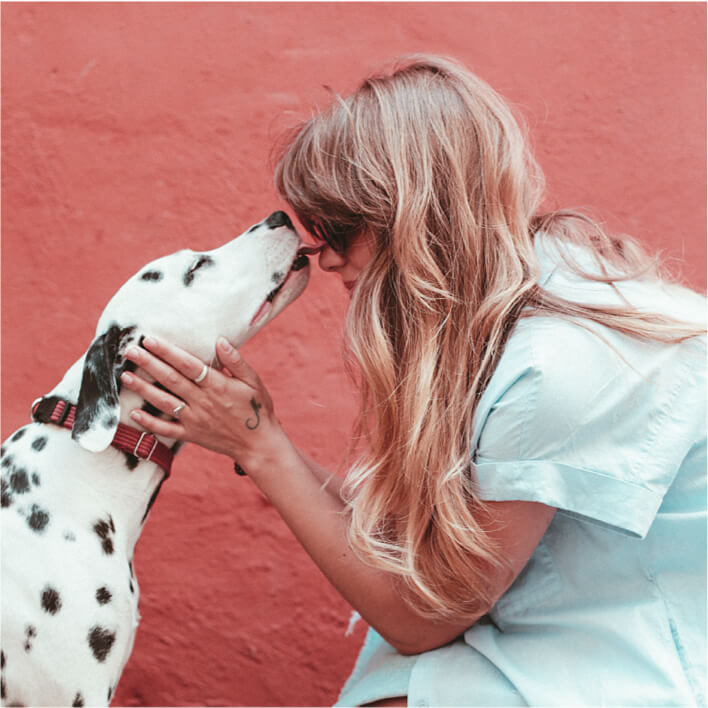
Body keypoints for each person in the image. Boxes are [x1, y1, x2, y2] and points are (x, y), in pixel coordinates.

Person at [119, 55, 706, 706]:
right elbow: (410, 546)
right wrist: (258, 434)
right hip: (565, 619)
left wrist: (261, 446)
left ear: (416, 215)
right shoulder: (515, 296)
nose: (328, 258)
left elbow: (423, 618)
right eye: (319, 233)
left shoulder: (556, 368)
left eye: (341, 228)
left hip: (645, 651)